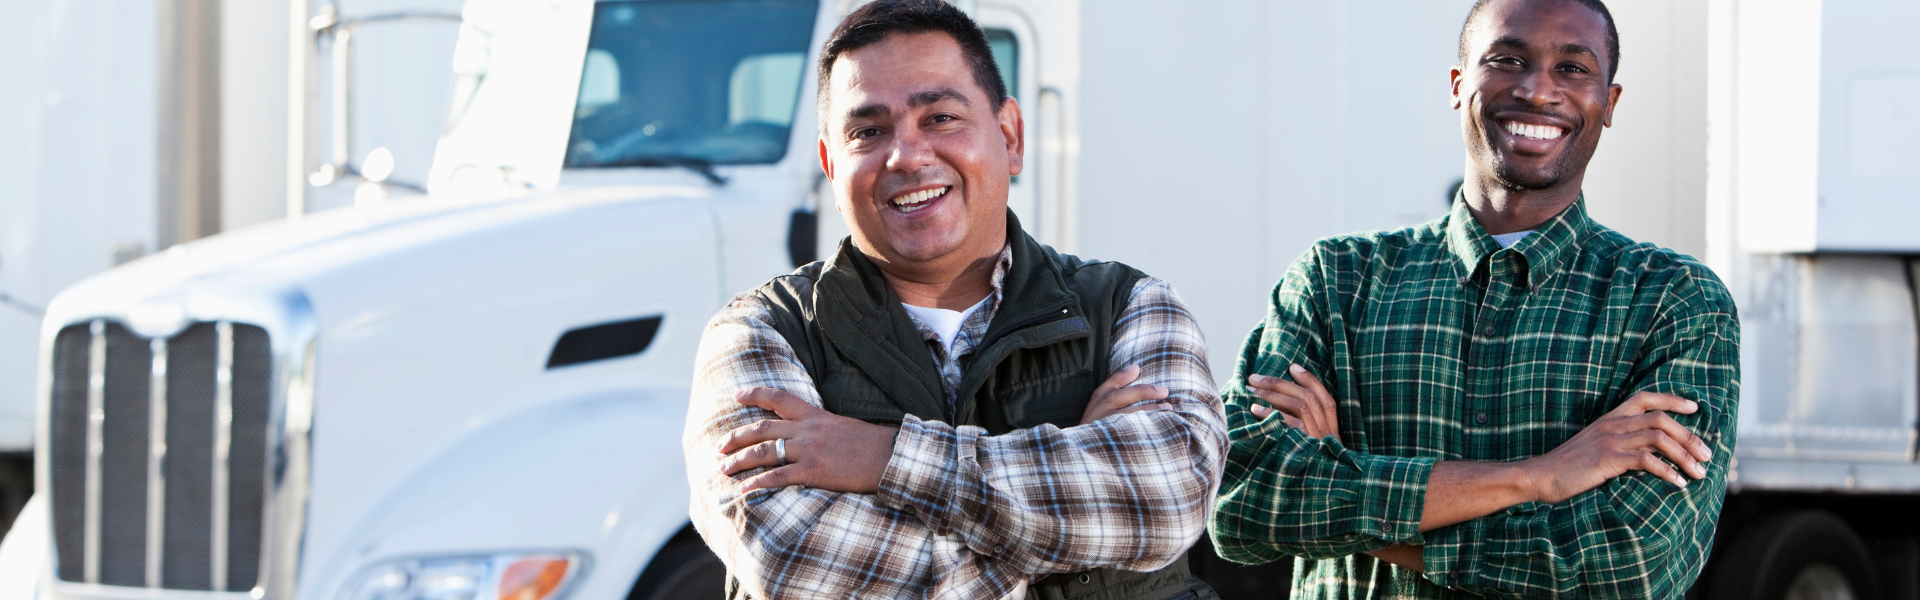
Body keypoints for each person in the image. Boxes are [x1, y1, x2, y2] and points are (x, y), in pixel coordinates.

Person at [682, 1, 1226, 598]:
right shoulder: (759, 334)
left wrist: (885, 457)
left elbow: (1171, 496)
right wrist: (1071, 530)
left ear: (1011, 136)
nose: (907, 157)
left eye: (940, 117)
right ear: (831, 165)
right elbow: (792, 561)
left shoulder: (1132, 307)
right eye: (868, 131)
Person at [1208, 0, 1738, 597]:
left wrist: (1342, 502)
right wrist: (1537, 477)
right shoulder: (1335, 280)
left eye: (1572, 68)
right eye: (1508, 59)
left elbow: (1629, 565)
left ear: (1609, 103)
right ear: (1459, 86)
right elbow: (1242, 503)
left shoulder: (1671, 300)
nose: (1538, 90)